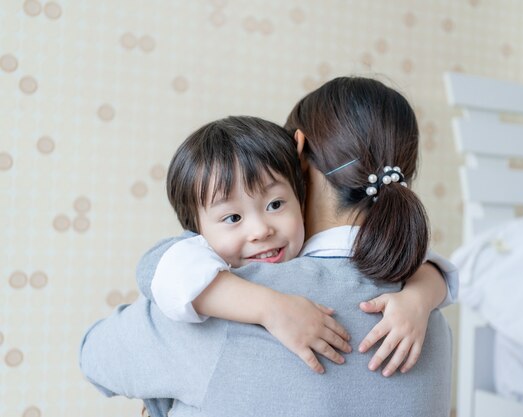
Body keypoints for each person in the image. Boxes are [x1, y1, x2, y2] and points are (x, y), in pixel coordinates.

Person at [80, 77, 456, 417]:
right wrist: (422, 295)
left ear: (297, 149)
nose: (259, 230)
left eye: (273, 205)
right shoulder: (427, 321)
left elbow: (94, 356)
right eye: (232, 218)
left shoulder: (227, 300)